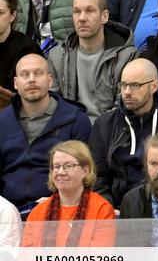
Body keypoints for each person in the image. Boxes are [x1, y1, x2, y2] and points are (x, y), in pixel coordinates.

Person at [89, 57, 158, 207]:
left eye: (135, 85)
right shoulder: (104, 124)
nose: (127, 92)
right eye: (123, 85)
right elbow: (98, 178)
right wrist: (107, 209)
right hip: (117, 207)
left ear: (154, 86)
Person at [0, 54, 92, 209]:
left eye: (38, 73)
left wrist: (59, 200)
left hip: (60, 207)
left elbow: (86, 174)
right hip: (7, 211)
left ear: (50, 80)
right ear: (15, 83)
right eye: (25, 74)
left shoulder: (75, 119)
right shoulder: (2, 121)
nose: (31, 79)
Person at [21, 141, 115, 261]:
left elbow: (98, 260)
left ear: (85, 170)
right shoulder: (38, 212)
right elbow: (29, 259)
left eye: (68, 166)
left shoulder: (102, 209)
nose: (60, 172)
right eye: (56, 166)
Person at [47, 0, 136, 121]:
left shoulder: (127, 57)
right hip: (71, 128)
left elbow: (124, 107)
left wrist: (99, 130)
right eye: (77, 12)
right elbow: (52, 104)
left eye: (90, 11)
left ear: (104, 16)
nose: (82, 18)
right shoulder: (57, 56)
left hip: (110, 129)